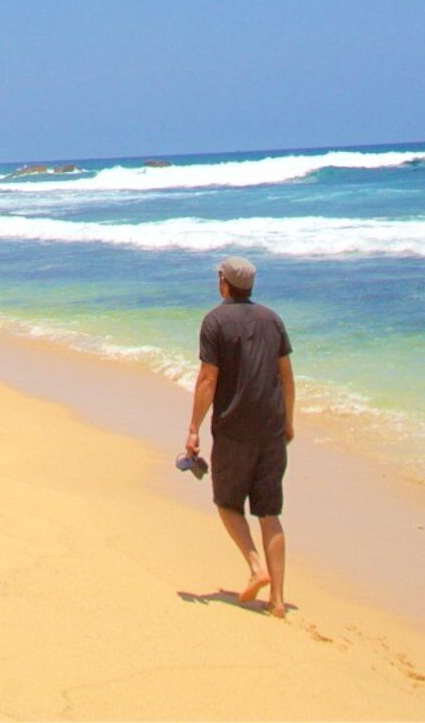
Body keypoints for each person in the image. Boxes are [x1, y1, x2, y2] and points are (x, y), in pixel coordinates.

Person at [181, 255, 295, 615]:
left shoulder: (215, 321)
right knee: (269, 512)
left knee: (227, 504)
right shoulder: (272, 319)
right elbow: (287, 376)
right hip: (272, 428)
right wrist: (288, 421)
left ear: (224, 284)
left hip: (233, 429)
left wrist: (193, 428)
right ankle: (277, 600)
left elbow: (208, 380)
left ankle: (255, 567)